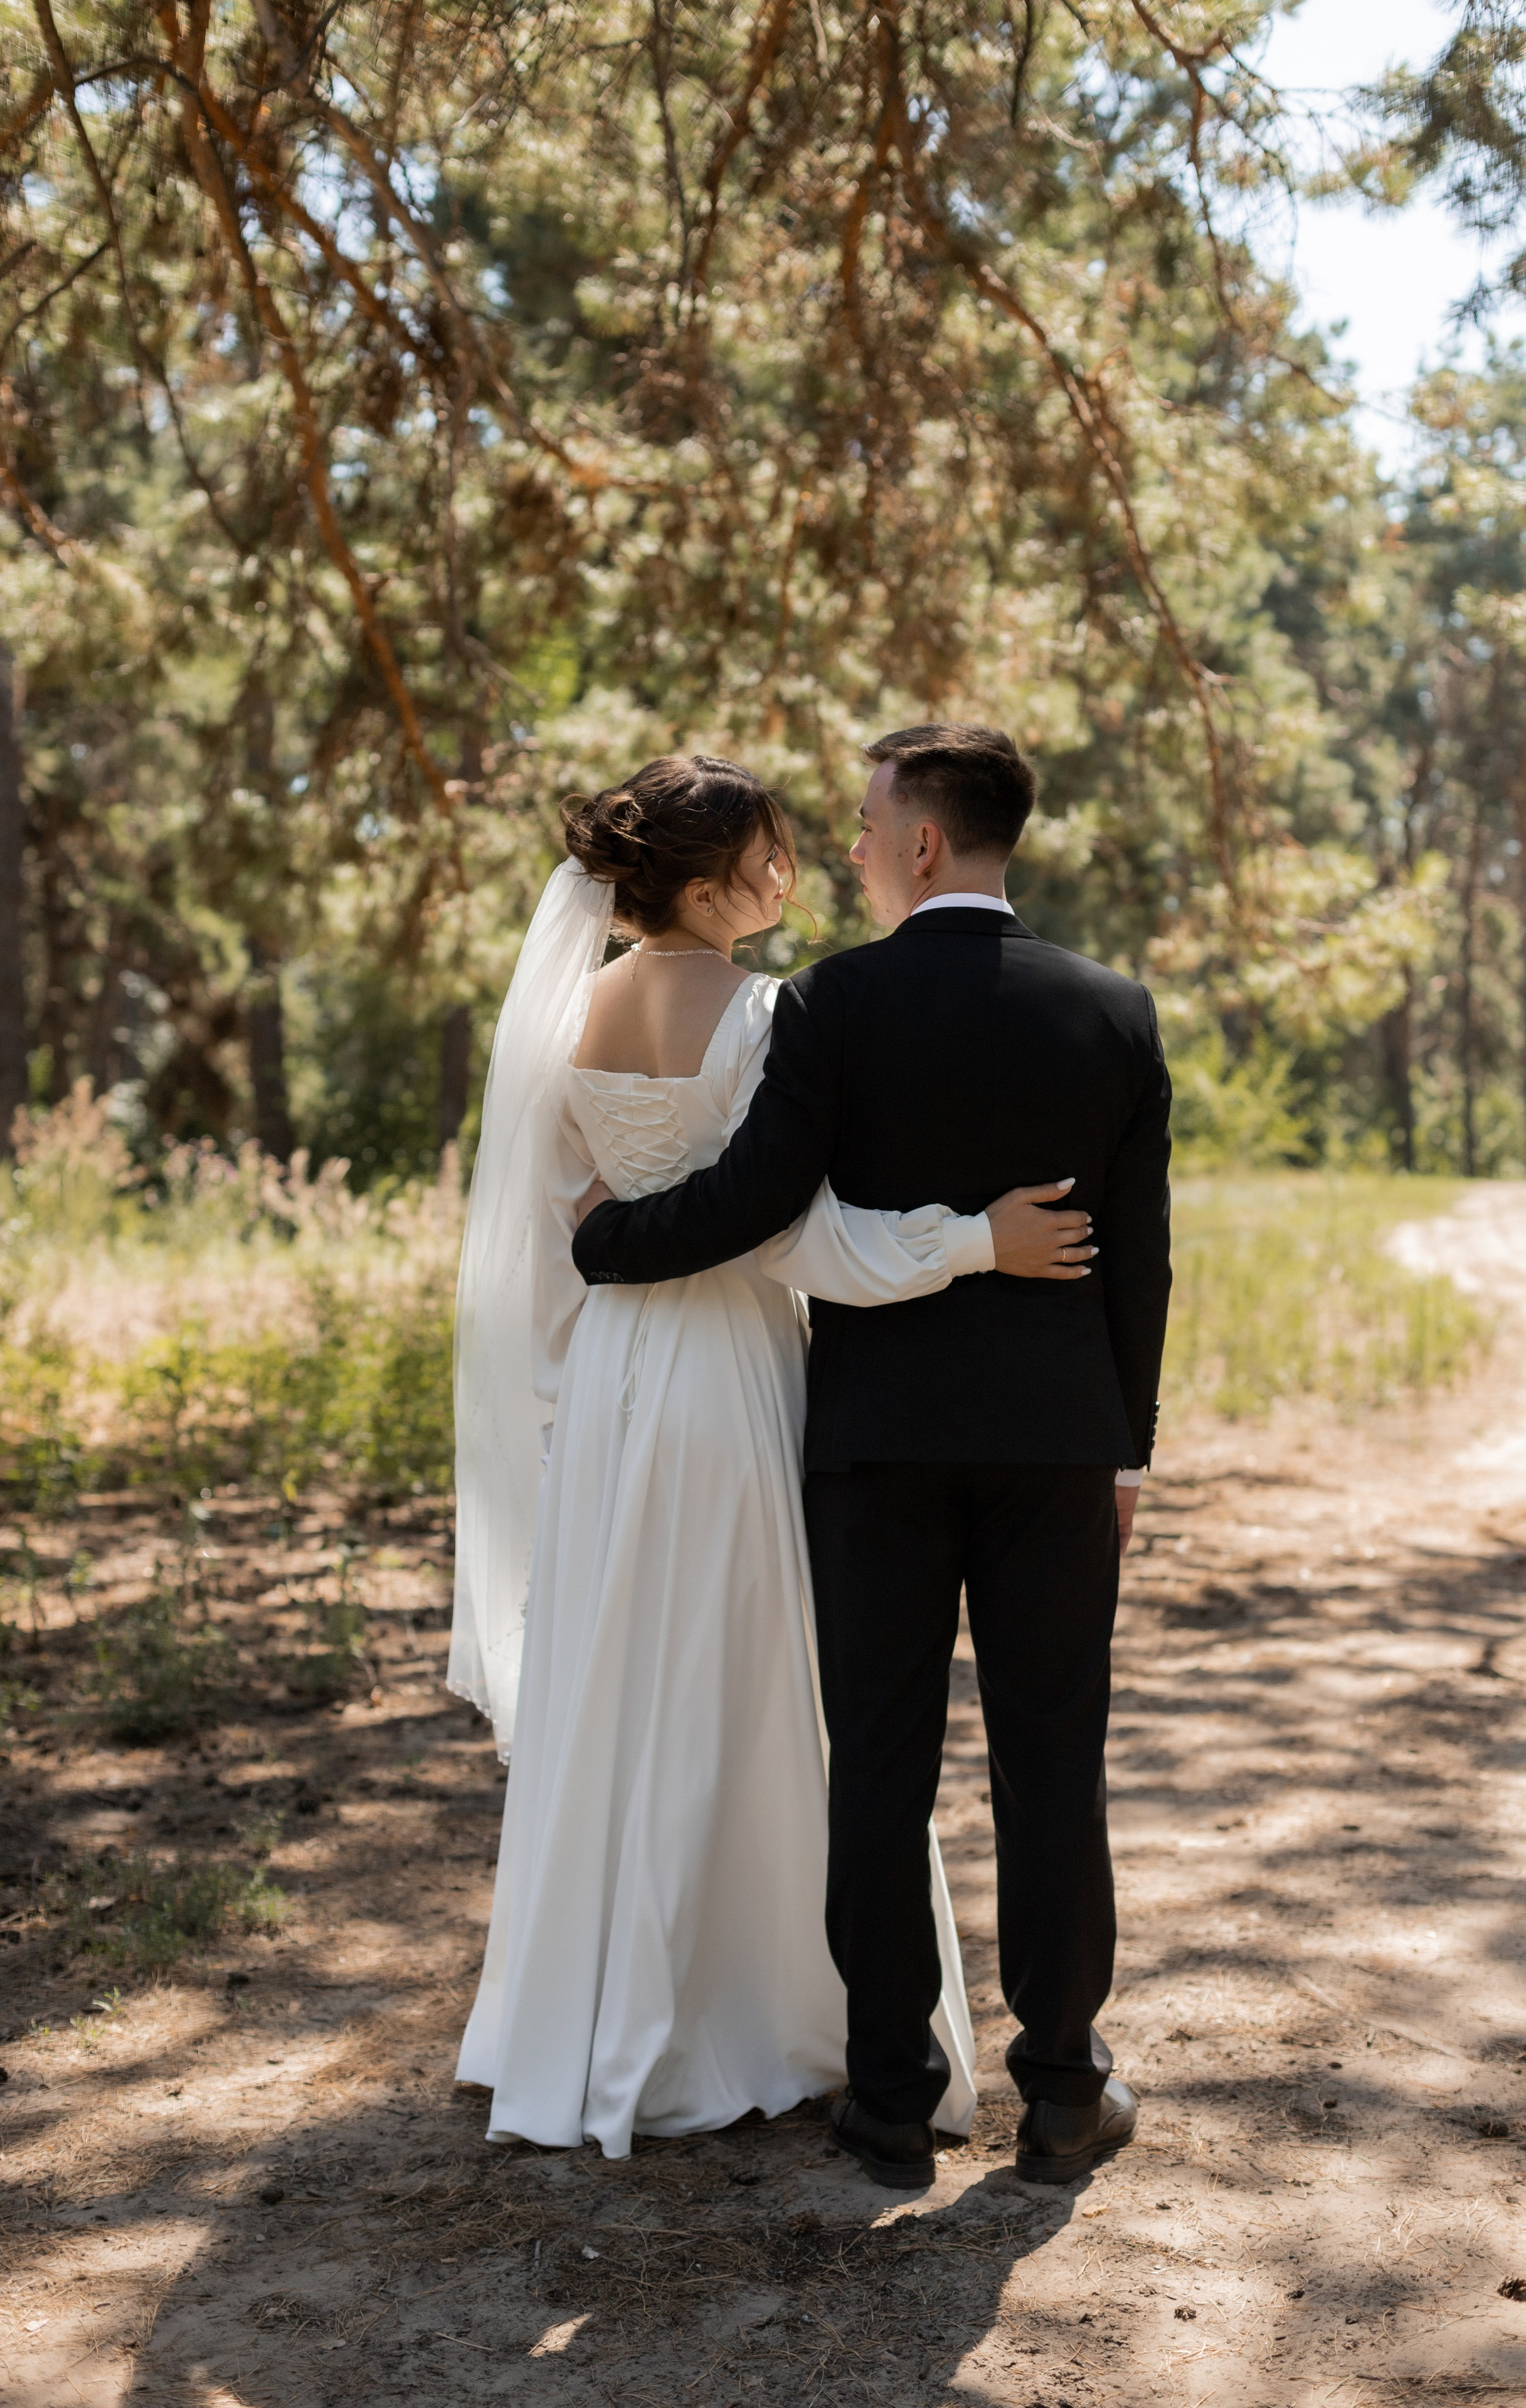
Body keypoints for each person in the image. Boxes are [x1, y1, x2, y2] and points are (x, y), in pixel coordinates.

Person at [448, 753, 1091, 2162]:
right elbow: (788, 1233)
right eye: (764, 856)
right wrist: (973, 1240)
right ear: (699, 886)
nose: (788, 873)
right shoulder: (766, 1014)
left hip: (619, 1375)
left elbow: (558, 1237)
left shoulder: (564, 1017)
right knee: (753, 1679)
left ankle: (585, 2014)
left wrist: (569, 1400)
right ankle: (749, 2013)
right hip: (734, 1364)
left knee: (621, 1673)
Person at [573, 724, 1172, 2188]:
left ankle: (891, 2102)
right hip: (1051, 1452)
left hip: (871, 1451)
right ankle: (1056, 2093)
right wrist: (1123, 1456)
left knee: (878, 1773)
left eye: (859, 824)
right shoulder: (1111, 1008)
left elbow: (754, 1204)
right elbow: (1140, 1261)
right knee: (1052, 1765)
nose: (844, 846)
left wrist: (604, 1241)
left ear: (919, 844)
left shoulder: (830, 1003)